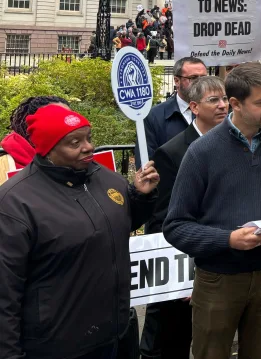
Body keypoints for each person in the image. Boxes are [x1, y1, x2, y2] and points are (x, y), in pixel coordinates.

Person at [163, 63, 261, 359]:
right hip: (218, 278)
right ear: (236, 104)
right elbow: (175, 226)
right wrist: (228, 240)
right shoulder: (202, 152)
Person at [0, 104, 160, 359]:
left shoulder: (106, 178)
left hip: (115, 334)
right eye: (74, 142)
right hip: (58, 345)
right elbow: (5, 291)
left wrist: (140, 197)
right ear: (48, 149)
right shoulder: (15, 202)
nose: (88, 147)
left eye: (88, 137)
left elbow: (117, 227)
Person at [143, 76, 228, 359]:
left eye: (225, 99)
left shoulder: (236, 145)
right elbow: (163, 218)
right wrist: (182, 276)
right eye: (213, 100)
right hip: (187, 266)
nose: (222, 106)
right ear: (194, 107)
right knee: (176, 340)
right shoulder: (172, 152)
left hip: (226, 261)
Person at [141, 57, 208, 163]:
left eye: (204, 78)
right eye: (194, 78)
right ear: (177, 81)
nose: (200, 83)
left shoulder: (218, 112)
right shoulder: (154, 116)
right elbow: (146, 163)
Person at [1, 95, 71, 175]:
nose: (67, 125)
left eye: (69, 118)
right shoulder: (5, 166)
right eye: (55, 119)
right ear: (29, 125)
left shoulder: (78, 160)